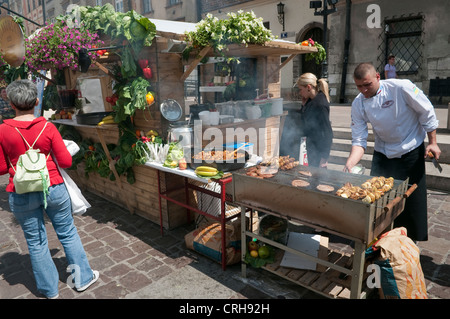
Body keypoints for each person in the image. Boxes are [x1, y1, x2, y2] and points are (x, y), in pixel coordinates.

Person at [0, 80, 99, 299]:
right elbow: (65, 161)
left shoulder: (2, 131)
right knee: (67, 232)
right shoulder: (48, 126)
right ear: (36, 102)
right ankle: (82, 279)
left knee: (35, 242)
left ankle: (49, 290)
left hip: (21, 191)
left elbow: (0, 168)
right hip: (53, 186)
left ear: (11, 103)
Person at [344, 62, 440, 242]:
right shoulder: (358, 103)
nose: (363, 90)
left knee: (411, 202)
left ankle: (408, 243)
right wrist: (350, 163)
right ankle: (380, 239)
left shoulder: (401, 87)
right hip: (383, 153)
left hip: (410, 149)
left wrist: (433, 142)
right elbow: (359, 140)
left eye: (367, 84)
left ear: (378, 77)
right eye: (359, 86)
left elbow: (426, 111)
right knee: (377, 200)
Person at [280, 73, 333, 168]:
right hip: (311, 146)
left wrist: (324, 157)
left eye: (301, 89)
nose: (300, 93)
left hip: (319, 149)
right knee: (314, 176)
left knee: (319, 178)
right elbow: (306, 117)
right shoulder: (311, 100)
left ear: (308, 87)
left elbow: (327, 132)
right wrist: (303, 106)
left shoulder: (320, 104)